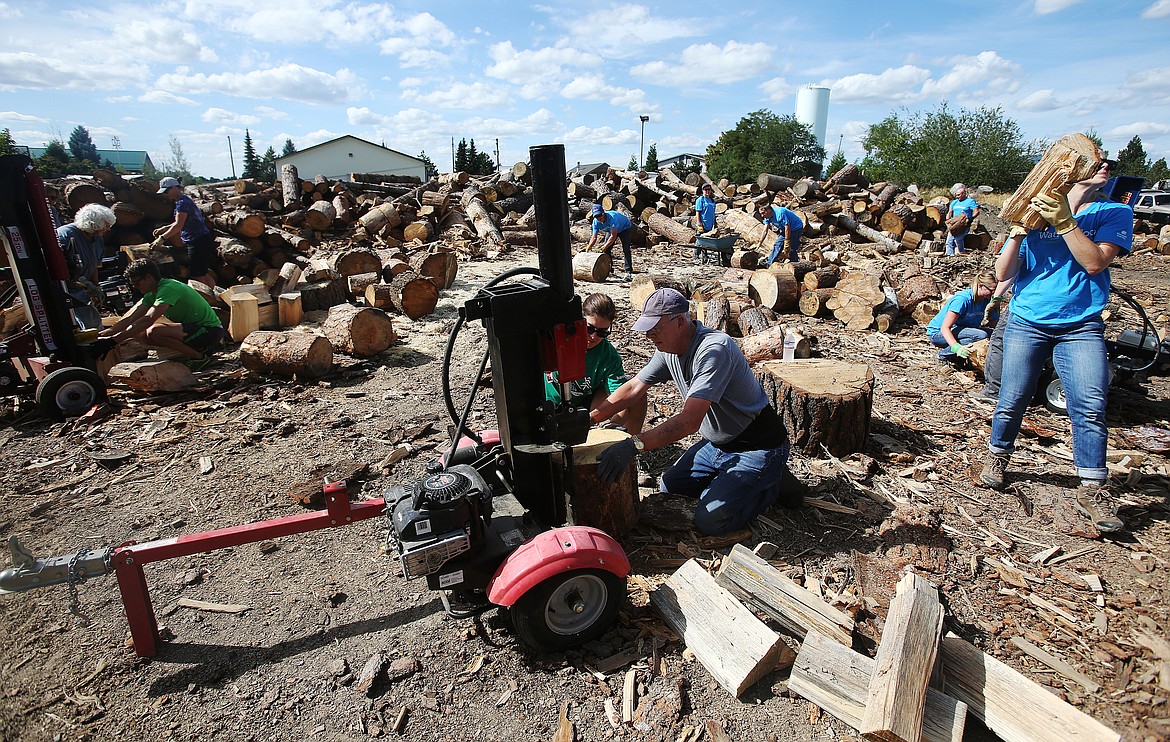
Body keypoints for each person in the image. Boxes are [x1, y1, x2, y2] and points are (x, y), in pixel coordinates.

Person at [979, 156, 1132, 535]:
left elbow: (1095, 263)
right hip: (1026, 320)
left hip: (1080, 325)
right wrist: (1017, 233)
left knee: (1090, 402)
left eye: (1106, 161)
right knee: (1013, 396)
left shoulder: (1111, 212)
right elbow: (1003, 274)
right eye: (1093, 161)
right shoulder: (1036, 211)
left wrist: (1065, 221)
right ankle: (998, 456)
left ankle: (1093, 488)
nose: (1104, 166)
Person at [590, 288, 795, 535]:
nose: (648, 335)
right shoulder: (667, 348)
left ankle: (771, 484)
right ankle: (742, 482)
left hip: (756, 445)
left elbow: (689, 422)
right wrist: (589, 418)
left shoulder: (713, 350)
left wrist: (634, 445)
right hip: (718, 444)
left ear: (679, 322)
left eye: (655, 328)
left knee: (711, 521)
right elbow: (635, 386)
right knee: (670, 486)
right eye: (647, 328)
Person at [544, 293, 647, 433]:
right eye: (589, 328)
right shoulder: (557, 342)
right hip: (550, 403)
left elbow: (621, 396)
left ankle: (629, 446)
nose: (593, 337)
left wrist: (610, 427)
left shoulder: (608, 355)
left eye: (602, 332)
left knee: (636, 393)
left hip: (587, 405)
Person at [100, 258, 223, 371]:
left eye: (137, 283)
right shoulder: (151, 294)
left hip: (210, 331)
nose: (135, 287)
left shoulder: (168, 288)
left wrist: (113, 341)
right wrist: (102, 335)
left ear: (148, 277)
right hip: (194, 329)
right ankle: (196, 350)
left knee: (154, 331)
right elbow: (130, 319)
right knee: (142, 334)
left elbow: (148, 320)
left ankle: (199, 357)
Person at [57, 203, 116, 330]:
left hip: (81, 287)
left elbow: (94, 265)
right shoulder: (65, 236)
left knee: (89, 317)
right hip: (64, 288)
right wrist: (79, 282)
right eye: (106, 225)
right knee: (89, 321)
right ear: (95, 223)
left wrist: (96, 286)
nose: (108, 229)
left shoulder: (97, 239)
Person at [155, 176, 216, 287]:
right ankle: (216, 297)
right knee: (202, 272)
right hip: (201, 239)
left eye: (167, 191)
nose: (166, 194)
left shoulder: (182, 203)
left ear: (174, 187)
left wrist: (162, 238)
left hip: (198, 241)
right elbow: (181, 221)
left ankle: (206, 300)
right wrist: (164, 228)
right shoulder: (183, 201)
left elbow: (178, 225)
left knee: (197, 276)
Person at [924, 271, 997, 362]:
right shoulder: (962, 300)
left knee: (994, 335)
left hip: (962, 330)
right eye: (991, 290)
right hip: (939, 333)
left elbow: (994, 324)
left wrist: (995, 307)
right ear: (981, 286)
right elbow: (945, 327)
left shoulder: (986, 300)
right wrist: (956, 347)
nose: (993, 293)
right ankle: (944, 355)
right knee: (980, 335)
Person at [756, 201, 803, 266]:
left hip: (796, 228)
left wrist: (787, 241)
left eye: (763, 213)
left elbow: (787, 227)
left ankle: (795, 264)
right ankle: (769, 263)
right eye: (761, 214)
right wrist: (760, 242)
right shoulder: (767, 217)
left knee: (792, 248)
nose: (762, 215)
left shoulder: (780, 213)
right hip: (785, 229)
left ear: (769, 210)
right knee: (777, 244)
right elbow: (765, 230)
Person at [945, 183, 981, 256]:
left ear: (964, 193)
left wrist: (971, 218)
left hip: (964, 224)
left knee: (958, 239)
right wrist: (948, 218)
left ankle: (961, 253)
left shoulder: (970, 201)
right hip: (954, 224)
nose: (957, 197)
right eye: (956, 195)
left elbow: (976, 211)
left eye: (959, 195)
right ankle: (949, 255)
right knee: (949, 241)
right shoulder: (954, 202)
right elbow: (950, 211)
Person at [692, 184, 718, 264]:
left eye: (709, 190)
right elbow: (698, 212)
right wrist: (699, 224)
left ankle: (705, 256)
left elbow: (713, 213)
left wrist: (715, 224)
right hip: (702, 224)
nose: (707, 191)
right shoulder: (701, 200)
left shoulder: (712, 200)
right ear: (702, 190)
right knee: (700, 241)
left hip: (710, 225)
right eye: (705, 190)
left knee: (706, 242)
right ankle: (696, 256)